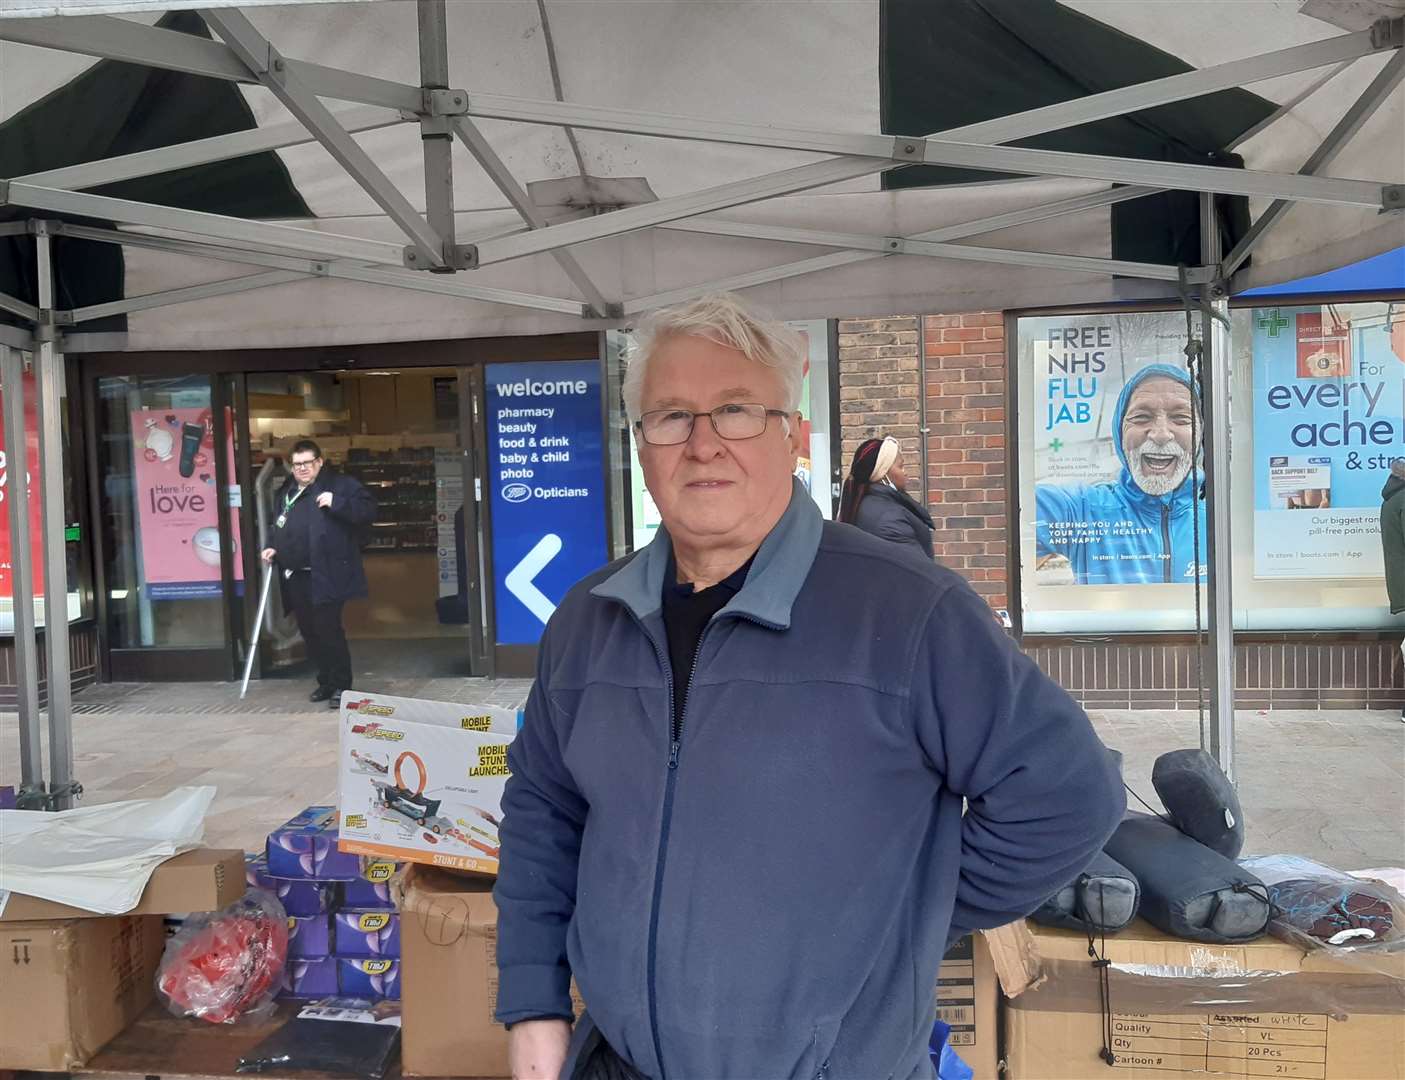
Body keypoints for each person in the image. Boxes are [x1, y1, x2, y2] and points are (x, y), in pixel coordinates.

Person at [494, 293, 1125, 1080]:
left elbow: (1069, 796)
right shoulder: (589, 618)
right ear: (640, 445)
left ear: (792, 437)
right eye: (670, 417)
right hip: (615, 1063)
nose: (702, 445)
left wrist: (900, 911)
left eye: (734, 410)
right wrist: (532, 1005)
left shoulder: (908, 610)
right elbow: (541, 811)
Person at [1035, 363, 1207, 585]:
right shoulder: (1084, 509)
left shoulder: (1223, 518)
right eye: (1142, 417)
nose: (1161, 434)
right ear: (1119, 432)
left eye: (1181, 419)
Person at [259, 439, 375, 707]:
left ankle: (342, 685)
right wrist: (271, 546)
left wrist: (338, 503)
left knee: (328, 629)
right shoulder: (286, 492)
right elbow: (278, 525)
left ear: (319, 462)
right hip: (296, 575)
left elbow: (368, 511)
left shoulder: (341, 485)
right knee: (309, 631)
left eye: (307, 463)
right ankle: (325, 681)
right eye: (296, 464)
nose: (301, 469)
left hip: (328, 573)